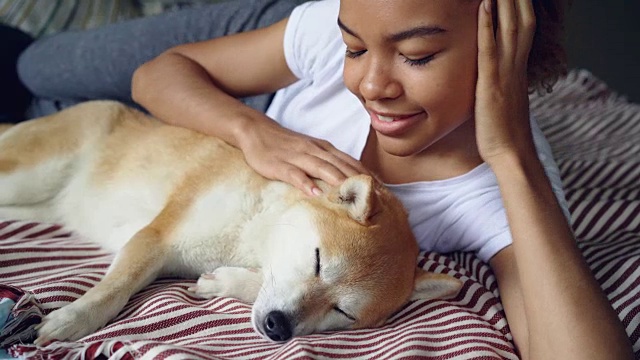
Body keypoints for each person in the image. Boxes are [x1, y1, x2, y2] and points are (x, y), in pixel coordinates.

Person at [14, 0, 634, 358]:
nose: (370, 85)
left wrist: (514, 150)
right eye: (357, 48)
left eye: (416, 57)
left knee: (33, 98)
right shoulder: (327, 36)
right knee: (37, 64)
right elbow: (158, 76)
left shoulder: (494, 190)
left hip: (207, 145)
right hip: (264, 70)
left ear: (507, 54)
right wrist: (255, 132)